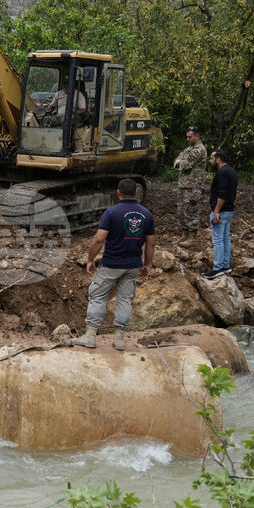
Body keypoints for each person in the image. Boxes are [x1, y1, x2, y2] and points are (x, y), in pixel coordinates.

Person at [73, 179, 156, 351]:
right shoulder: (146, 215)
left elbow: (99, 239)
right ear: (135, 193)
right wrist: (147, 264)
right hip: (133, 265)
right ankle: (119, 339)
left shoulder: (111, 213)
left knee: (98, 296)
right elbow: (151, 244)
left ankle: (90, 336)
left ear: (118, 192)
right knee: (125, 299)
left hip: (111, 263)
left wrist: (90, 259)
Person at [205, 149, 237, 280]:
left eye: (212, 159)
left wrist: (216, 211)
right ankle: (225, 265)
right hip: (229, 210)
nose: (210, 161)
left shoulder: (222, 173)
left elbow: (222, 193)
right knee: (225, 239)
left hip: (221, 211)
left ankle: (217, 268)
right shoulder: (232, 171)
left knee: (218, 240)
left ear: (218, 159)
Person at [173, 126, 207, 237]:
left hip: (193, 186)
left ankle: (192, 236)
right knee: (181, 211)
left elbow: (186, 165)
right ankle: (184, 235)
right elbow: (176, 161)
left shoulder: (199, 150)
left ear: (197, 136)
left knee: (191, 211)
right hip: (183, 184)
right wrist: (180, 161)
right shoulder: (188, 149)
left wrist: (181, 161)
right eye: (187, 137)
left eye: (190, 137)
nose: (187, 139)